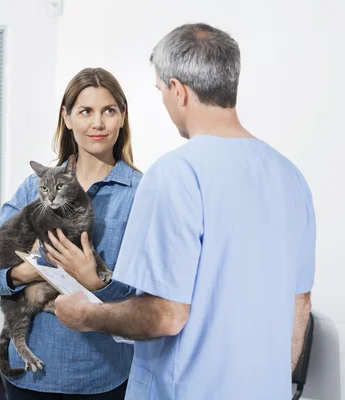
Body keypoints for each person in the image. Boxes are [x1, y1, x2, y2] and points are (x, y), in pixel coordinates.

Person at [53, 23, 315, 400]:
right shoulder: (291, 177)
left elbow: (166, 315)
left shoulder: (176, 173)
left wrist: (87, 315)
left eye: (161, 90)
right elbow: (300, 303)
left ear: (178, 90)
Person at [0, 67, 143, 399]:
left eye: (109, 110)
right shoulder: (33, 189)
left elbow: (150, 298)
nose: (98, 123)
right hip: (32, 378)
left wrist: (95, 281)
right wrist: (29, 271)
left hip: (103, 376)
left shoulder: (141, 193)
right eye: (85, 111)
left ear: (122, 117)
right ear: (67, 117)